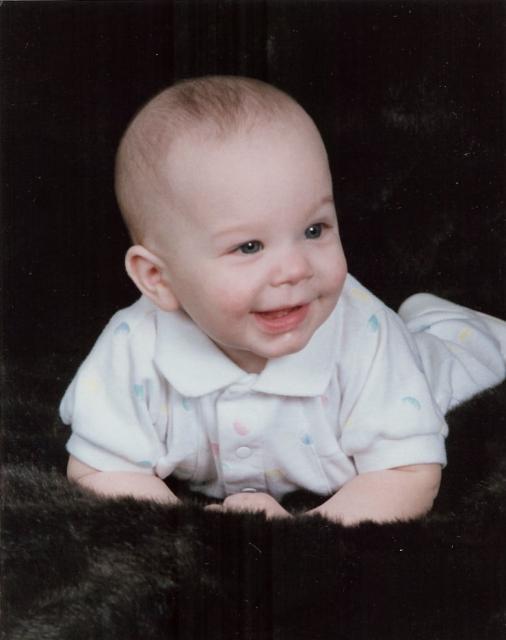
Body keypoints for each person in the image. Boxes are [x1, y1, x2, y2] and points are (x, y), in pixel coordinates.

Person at [60, 76, 506, 525]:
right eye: (249, 247)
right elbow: (100, 468)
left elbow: (407, 474)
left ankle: (449, 323)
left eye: (314, 230)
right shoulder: (134, 347)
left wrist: (299, 532)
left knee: (466, 360)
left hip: (428, 367)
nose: (295, 269)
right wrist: (199, 530)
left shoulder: (366, 337)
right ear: (158, 278)